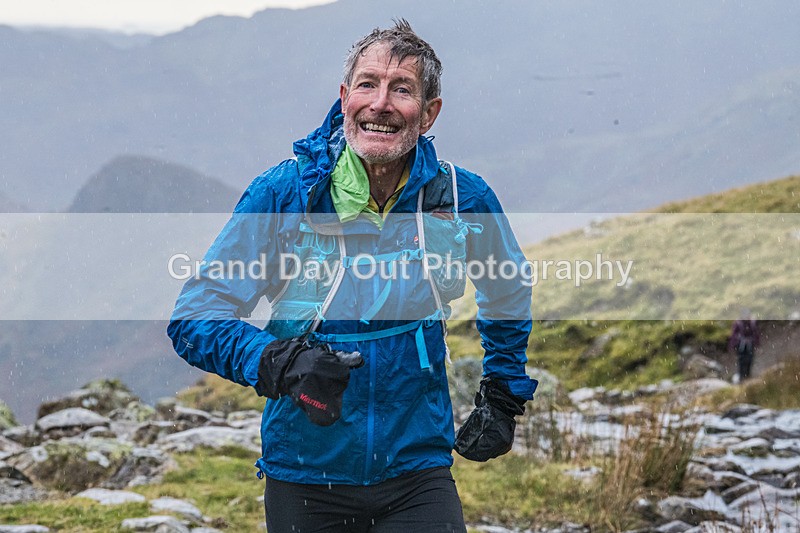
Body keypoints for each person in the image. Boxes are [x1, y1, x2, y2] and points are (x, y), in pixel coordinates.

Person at [168, 20, 537, 532]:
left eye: (401, 89)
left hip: (418, 471)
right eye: (367, 84)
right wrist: (281, 360)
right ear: (344, 98)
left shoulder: (461, 199)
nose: (380, 104)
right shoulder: (285, 195)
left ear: (429, 113)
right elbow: (194, 317)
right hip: (303, 474)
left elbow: (508, 287)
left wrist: (501, 391)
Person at [728, 312, 760, 381]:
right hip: (741, 345)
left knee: (749, 360)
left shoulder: (752, 323)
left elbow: (755, 334)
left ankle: (747, 376)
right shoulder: (738, 323)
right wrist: (733, 345)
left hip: (749, 345)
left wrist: (756, 343)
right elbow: (733, 335)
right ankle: (742, 376)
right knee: (741, 361)